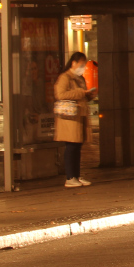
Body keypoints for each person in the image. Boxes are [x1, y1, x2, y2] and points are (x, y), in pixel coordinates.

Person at [55, 52, 96, 188]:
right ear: (73, 63)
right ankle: (70, 177)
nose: (83, 67)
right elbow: (60, 94)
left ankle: (76, 176)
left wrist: (89, 95)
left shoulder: (80, 78)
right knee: (71, 146)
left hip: (79, 116)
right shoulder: (65, 77)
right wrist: (81, 93)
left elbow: (82, 94)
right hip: (69, 118)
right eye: (81, 64)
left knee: (77, 146)